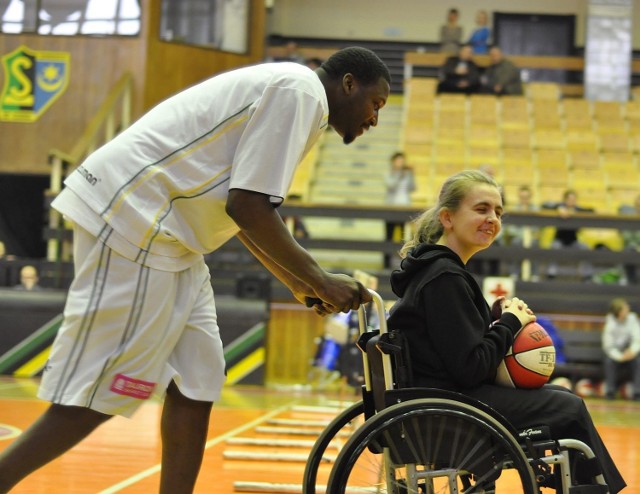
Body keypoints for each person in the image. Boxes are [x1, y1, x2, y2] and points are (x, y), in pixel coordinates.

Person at [0, 46, 390, 492]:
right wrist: (319, 278)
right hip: (136, 220)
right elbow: (247, 206)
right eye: (375, 104)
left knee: (199, 380)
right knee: (102, 391)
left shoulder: (300, 98)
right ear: (348, 84)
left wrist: (297, 282)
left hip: (174, 241)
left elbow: (240, 211)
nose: (374, 118)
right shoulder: (299, 92)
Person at [386, 170, 626, 491]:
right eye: (481, 209)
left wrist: (494, 321)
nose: (493, 219)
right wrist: (511, 324)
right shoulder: (445, 276)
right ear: (447, 217)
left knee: (563, 397)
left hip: (437, 397)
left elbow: (455, 345)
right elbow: (471, 368)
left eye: (498, 212)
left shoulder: (437, 270)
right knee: (568, 407)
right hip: (448, 406)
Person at [545, 189, 594, 280]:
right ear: (565, 200)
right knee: (554, 247)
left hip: (574, 242)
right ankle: (551, 274)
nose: (572, 202)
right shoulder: (559, 207)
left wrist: (576, 213)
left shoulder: (577, 209)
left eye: (574, 200)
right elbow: (546, 206)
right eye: (570, 200)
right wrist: (559, 208)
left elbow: (591, 210)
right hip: (559, 241)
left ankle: (586, 276)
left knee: (585, 248)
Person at [602, 298, 640, 401]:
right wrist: (620, 357)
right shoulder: (610, 323)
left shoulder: (632, 318)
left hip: (630, 352)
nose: (628, 310)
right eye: (625, 309)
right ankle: (610, 392)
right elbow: (608, 346)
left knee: (638, 361)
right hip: (615, 353)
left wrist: (632, 351)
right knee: (609, 362)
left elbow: (637, 338)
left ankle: (637, 393)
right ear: (619, 312)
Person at [384, 151, 415, 268]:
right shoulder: (389, 174)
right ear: (393, 162)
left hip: (403, 207)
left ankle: (402, 263)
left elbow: (412, 188)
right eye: (398, 161)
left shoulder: (406, 174)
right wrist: (400, 175)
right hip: (391, 208)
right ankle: (386, 264)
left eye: (402, 161)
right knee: (389, 236)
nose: (401, 163)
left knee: (403, 236)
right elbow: (391, 186)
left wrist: (411, 175)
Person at [618, 194, 640, 284]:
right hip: (632, 247)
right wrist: (637, 246)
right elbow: (627, 237)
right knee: (629, 250)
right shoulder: (629, 217)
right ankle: (631, 282)